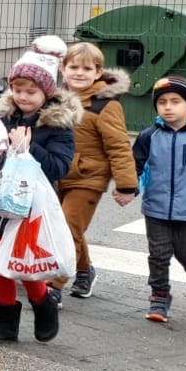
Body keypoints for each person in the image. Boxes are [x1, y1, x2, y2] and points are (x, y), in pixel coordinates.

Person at [0, 37, 79, 343]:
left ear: (45, 92)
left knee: (23, 261)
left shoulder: (58, 125)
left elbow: (59, 167)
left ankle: (42, 302)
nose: (22, 96)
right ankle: (6, 321)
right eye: (17, 90)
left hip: (31, 205)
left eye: (30, 91)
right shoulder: (3, 117)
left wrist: (28, 148)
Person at [131, 76, 186, 323]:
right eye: (162, 102)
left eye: (175, 101)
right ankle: (159, 297)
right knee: (158, 254)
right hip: (156, 208)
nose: (168, 107)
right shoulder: (148, 136)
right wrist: (130, 188)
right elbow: (135, 167)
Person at [56, 42, 139, 299]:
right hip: (58, 175)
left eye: (87, 68)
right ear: (63, 68)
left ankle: (52, 287)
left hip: (88, 178)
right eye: (73, 67)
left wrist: (126, 185)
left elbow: (119, 145)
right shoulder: (56, 99)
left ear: (98, 72)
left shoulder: (105, 104)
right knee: (66, 227)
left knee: (67, 229)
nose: (79, 73)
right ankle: (85, 271)